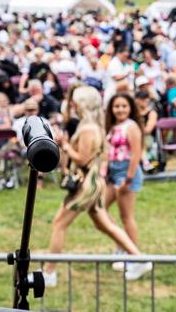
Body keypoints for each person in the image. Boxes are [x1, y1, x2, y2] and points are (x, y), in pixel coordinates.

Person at [41, 87, 151, 284]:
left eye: (75, 102)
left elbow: (83, 159)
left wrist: (65, 145)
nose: (72, 105)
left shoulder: (88, 129)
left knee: (59, 224)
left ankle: (49, 273)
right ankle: (139, 258)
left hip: (85, 185)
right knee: (104, 224)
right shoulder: (94, 126)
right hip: (94, 183)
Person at [103, 93, 146, 272]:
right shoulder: (113, 126)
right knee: (99, 208)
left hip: (127, 171)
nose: (120, 109)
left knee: (126, 216)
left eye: (124, 106)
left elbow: (136, 154)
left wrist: (128, 179)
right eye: (116, 106)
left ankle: (135, 258)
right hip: (112, 172)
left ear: (130, 108)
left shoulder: (132, 126)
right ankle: (122, 245)